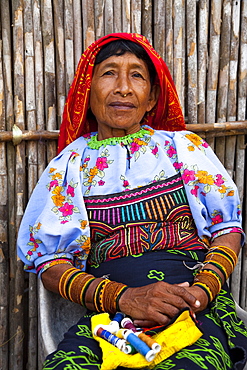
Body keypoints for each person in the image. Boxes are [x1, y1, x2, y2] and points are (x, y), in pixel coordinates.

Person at [17, 33, 247, 370]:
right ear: (87, 91)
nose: (123, 87)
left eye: (137, 75)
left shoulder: (182, 149)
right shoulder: (70, 165)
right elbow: (50, 265)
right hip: (110, 320)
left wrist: (203, 290)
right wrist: (124, 298)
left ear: (152, 97)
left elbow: (227, 227)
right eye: (109, 73)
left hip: (194, 308)